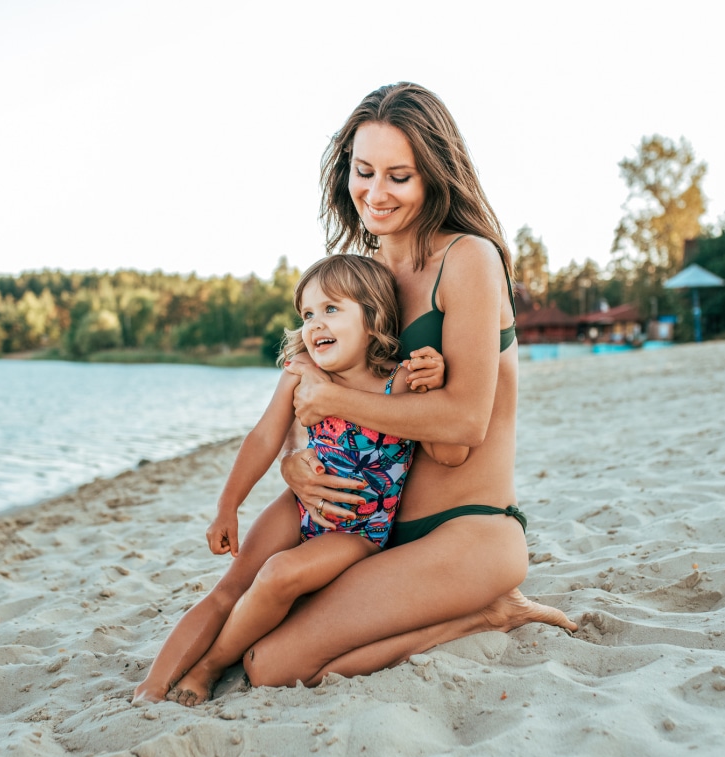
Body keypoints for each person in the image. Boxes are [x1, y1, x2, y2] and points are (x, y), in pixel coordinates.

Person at [239, 82, 577, 689]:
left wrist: (332, 398)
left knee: (271, 667)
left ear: (434, 177)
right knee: (256, 633)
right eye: (364, 171)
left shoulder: (467, 259)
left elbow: (464, 421)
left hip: (466, 534)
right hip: (374, 533)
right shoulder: (363, 277)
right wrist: (295, 459)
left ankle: (487, 612)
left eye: (400, 175)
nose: (376, 192)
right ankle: (473, 609)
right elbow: (318, 396)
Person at [137, 255, 455, 705]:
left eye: (331, 309)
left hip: (357, 528)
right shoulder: (303, 373)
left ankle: (209, 666)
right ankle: (153, 683)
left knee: (279, 574)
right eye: (307, 314)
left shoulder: (399, 381)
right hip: (297, 507)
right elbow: (264, 437)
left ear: (373, 317)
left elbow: (452, 450)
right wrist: (227, 507)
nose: (314, 323)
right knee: (229, 587)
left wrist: (435, 383)